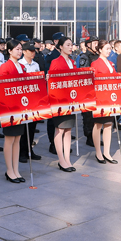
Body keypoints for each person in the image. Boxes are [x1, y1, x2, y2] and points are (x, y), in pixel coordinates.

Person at [0, 40, 27, 183]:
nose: (19, 51)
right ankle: (9, 170)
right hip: (10, 108)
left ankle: (16, 169)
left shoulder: (22, 66)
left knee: (18, 139)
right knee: (10, 139)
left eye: (21, 49)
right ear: (9, 51)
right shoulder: (5, 66)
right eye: (16, 49)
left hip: (21, 107)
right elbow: (3, 88)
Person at [48, 36, 78, 171]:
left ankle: (67, 159)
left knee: (68, 129)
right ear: (60, 47)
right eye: (68, 45)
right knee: (59, 129)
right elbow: (52, 83)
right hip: (59, 101)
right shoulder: (55, 62)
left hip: (71, 100)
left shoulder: (72, 62)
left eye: (71, 45)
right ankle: (61, 160)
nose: (71, 47)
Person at [90, 40, 118, 164]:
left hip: (110, 98)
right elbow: (93, 81)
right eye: (106, 48)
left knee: (108, 124)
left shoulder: (111, 63)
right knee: (98, 124)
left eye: (110, 48)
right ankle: (98, 152)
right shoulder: (95, 63)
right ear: (100, 50)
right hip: (100, 98)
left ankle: (107, 152)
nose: (109, 51)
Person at [18, 43, 42, 163]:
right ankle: (21, 152)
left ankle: (29, 150)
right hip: (23, 100)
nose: (33, 53)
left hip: (34, 99)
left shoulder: (36, 65)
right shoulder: (20, 64)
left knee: (32, 127)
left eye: (34, 51)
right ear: (24, 51)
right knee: (23, 127)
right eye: (30, 50)